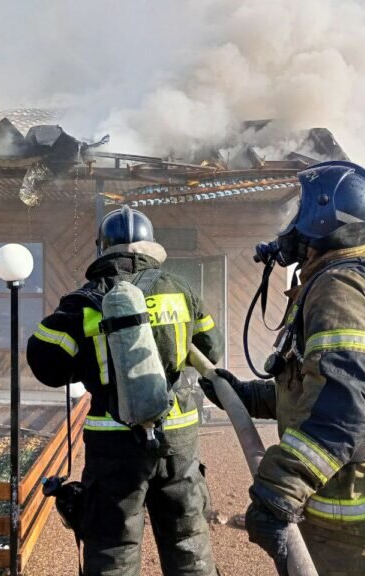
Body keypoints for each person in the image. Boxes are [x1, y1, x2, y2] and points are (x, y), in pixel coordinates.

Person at [200, 161, 365, 576]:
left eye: (300, 207)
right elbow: (313, 388)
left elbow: (343, 407)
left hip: (350, 512)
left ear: (323, 212)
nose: (292, 222)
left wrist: (280, 486)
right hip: (341, 502)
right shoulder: (334, 281)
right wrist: (243, 395)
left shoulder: (341, 289)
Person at [27, 205, 224, 576]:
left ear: (103, 249)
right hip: (178, 437)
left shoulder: (82, 302)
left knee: (112, 547)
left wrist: (87, 359)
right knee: (188, 541)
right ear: (150, 247)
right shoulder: (180, 291)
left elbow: (46, 365)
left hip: (113, 443)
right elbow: (211, 350)